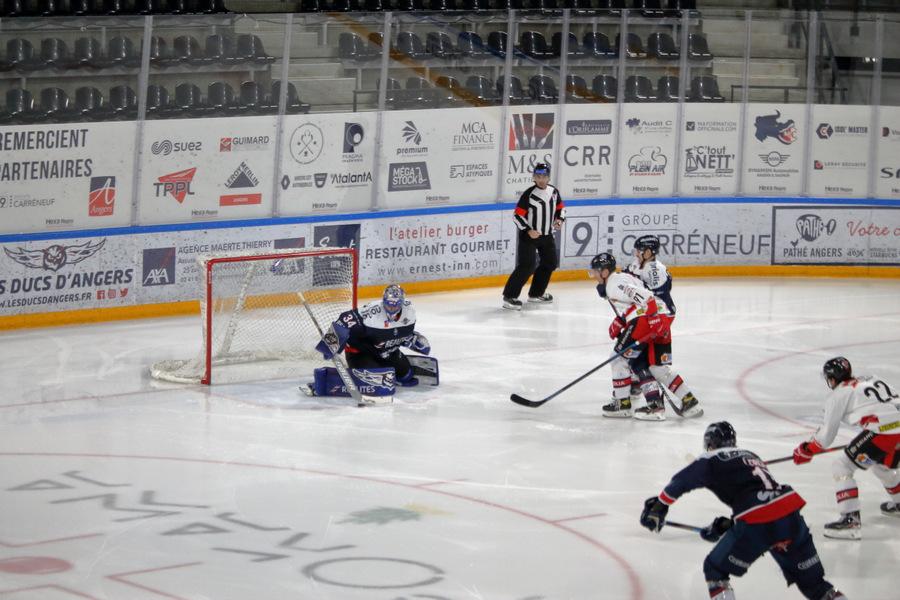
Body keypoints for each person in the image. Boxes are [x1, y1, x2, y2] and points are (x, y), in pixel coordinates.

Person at [640, 422, 847, 600]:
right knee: (815, 586)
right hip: (790, 515)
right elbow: (759, 495)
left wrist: (660, 505)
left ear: (710, 443)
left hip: (757, 520)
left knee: (715, 569)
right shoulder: (751, 455)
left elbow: (683, 480)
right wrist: (728, 526)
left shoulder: (712, 457)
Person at [792, 357, 900, 539]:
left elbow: (826, 436)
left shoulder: (838, 395)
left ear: (832, 379)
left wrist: (807, 449)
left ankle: (850, 521)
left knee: (842, 466)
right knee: (881, 466)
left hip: (884, 432)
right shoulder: (871, 378)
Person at [588, 252, 702, 419]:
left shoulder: (613, 284)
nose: (594, 276)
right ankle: (688, 402)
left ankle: (622, 404)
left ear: (605, 272)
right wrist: (622, 320)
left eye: (595, 272)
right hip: (662, 317)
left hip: (646, 319)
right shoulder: (623, 278)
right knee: (655, 367)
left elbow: (646, 297)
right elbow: (636, 301)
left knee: (618, 359)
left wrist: (652, 318)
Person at [310, 284, 438, 404]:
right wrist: (332, 342)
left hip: (387, 351)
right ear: (383, 301)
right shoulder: (372, 312)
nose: (391, 309)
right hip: (360, 353)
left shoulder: (409, 312)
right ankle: (337, 378)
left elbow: (398, 333)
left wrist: (412, 339)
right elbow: (344, 320)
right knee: (377, 382)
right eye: (388, 305)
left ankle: (390, 371)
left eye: (395, 306)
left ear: (402, 303)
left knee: (406, 375)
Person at [501, 162, 565, 310]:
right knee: (527, 266)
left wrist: (560, 219)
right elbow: (517, 216)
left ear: (549, 178)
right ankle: (509, 297)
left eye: (544, 176)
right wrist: (528, 230)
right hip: (529, 237)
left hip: (546, 235)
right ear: (534, 177)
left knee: (550, 263)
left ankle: (536, 294)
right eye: (538, 176)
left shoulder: (554, 192)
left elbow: (561, 208)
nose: (541, 179)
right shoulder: (529, 194)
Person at [622, 234, 675, 412]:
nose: (637, 253)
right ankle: (637, 382)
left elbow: (654, 297)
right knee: (639, 352)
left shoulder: (655, 270)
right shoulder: (638, 264)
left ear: (650, 252)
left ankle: (647, 390)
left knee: (646, 356)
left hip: (660, 315)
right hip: (646, 313)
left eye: (640, 250)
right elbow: (625, 276)